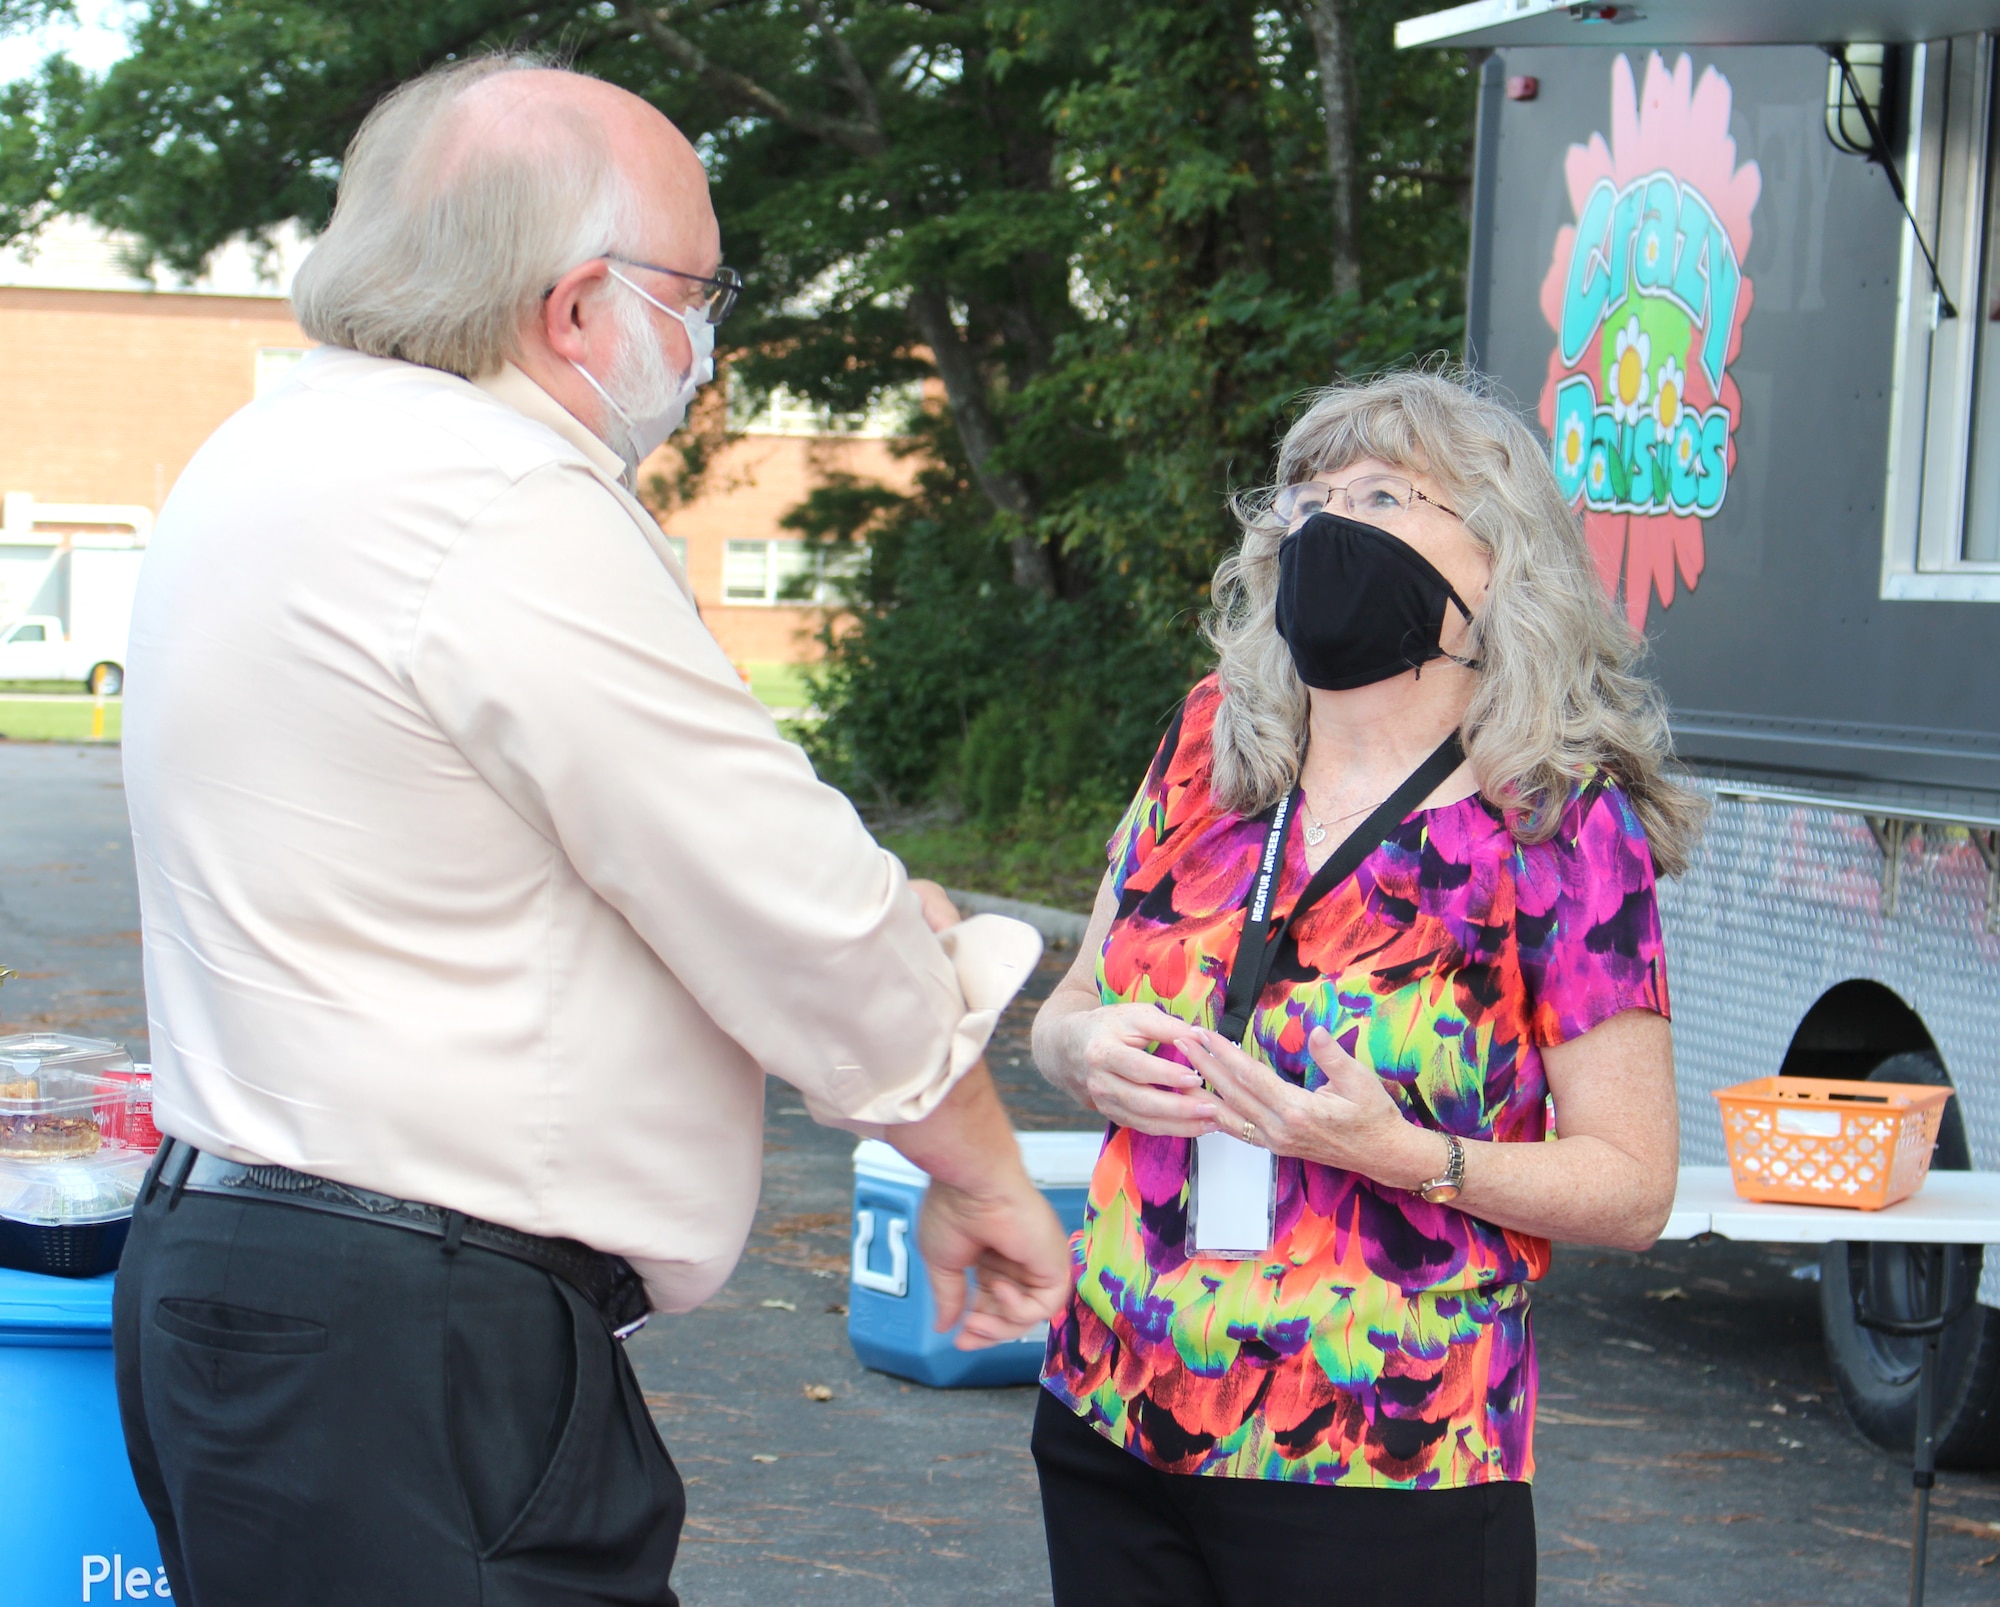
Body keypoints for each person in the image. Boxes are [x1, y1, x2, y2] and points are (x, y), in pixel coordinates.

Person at [113, 54, 1070, 1607]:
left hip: (241, 1269)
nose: (709, 345)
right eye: (699, 290)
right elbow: (776, 886)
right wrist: (978, 1167)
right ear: (573, 309)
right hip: (410, 1325)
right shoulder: (499, 496)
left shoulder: (263, 462)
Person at [1029, 368, 1703, 1606]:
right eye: (1308, 497)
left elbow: (1631, 1186)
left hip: (1384, 1455)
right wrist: (1079, 1052)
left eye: (1384, 493)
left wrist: (1404, 1154)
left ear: (1497, 564)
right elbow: (1066, 1006)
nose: (1329, 524)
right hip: (1110, 1409)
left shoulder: (1555, 821)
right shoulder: (1207, 745)